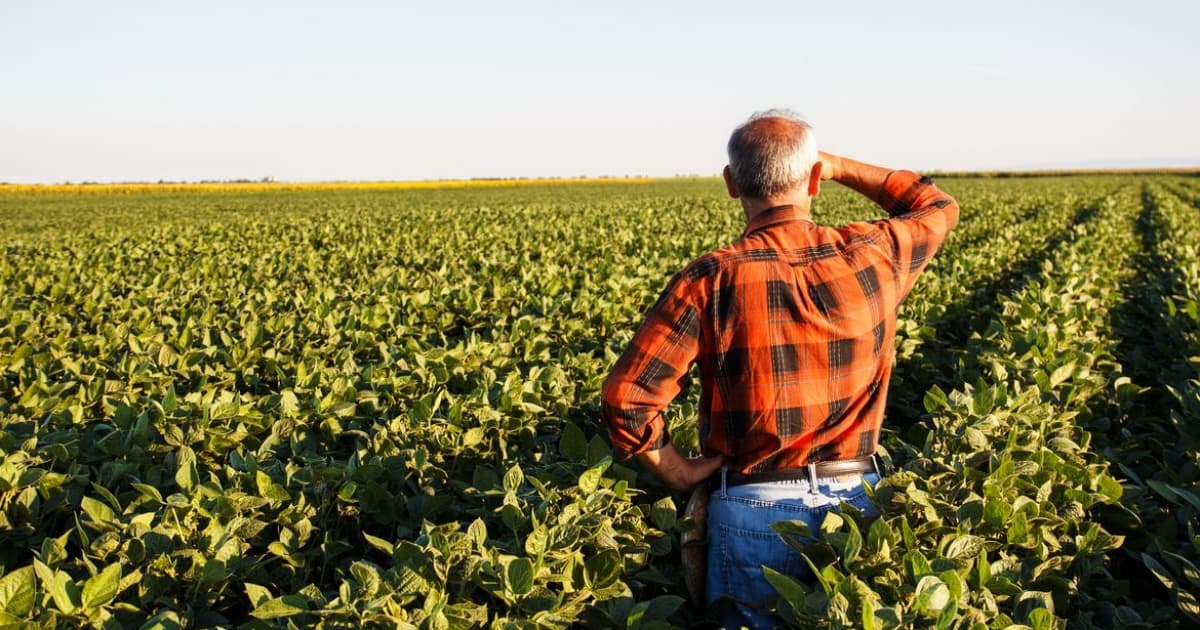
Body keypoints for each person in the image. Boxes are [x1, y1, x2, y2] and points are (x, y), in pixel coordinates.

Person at [600, 109, 959, 628]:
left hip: (752, 508)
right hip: (856, 503)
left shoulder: (708, 278)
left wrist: (678, 471)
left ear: (730, 184)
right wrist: (838, 166)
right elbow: (936, 205)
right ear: (814, 178)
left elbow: (627, 399)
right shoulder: (874, 252)